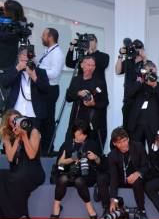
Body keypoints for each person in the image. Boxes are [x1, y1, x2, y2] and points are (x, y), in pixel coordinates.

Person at [51, 120, 102, 219]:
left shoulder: (92, 144)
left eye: (84, 134)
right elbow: (59, 163)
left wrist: (95, 157)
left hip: (86, 174)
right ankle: (56, 207)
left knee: (79, 181)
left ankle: (90, 208)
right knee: (62, 179)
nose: (81, 136)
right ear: (73, 132)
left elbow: (100, 163)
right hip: (68, 173)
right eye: (78, 134)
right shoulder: (67, 144)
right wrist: (72, 159)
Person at [0, 109, 45, 219]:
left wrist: (24, 136)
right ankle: (7, 214)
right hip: (17, 171)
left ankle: (18, 213)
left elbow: (31, 155)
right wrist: (17, 138)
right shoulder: (7, 136)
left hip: (33, 171)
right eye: (12, 121)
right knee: (2, 175)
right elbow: (10, 158)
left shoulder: (33, 131)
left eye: (17, 118)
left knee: (18, 177)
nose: (16, 122)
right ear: (9, 124)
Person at [97, 127, 149, 219]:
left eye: (125, 140)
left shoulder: (138, 147)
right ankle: (106, 209)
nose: (123, 144)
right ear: (114, 143)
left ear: (128, 139)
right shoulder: (112, 155)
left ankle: (142, 211)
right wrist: (113, 200)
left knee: (137, 181)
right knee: (102, 178)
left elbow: (146, 166)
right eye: (119, 142)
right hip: (120, 178)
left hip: (135, 177)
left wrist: (137, 173)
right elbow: (114, 177)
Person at [0, 47, 51, 129]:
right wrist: (17, 68)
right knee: (14, 140)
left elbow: (46, 90)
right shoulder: (14, 70)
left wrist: (34, 77)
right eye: (23, 61)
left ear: (33, 59)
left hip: (34, 114)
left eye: (27, 61)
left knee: (32, 140)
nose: (25, 64)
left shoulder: (40, 72)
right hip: (15, 113)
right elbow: (4, 83)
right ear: (18, 59)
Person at [64, 56, 108, 147]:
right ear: (82, 65)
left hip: (91, 121)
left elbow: (105, 102)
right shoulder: (76, 80)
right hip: (75, 119)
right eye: (88, 65)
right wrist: (78, 93)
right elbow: (68, 97)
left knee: (89, 148)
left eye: (93, 65)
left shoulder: (100, 83)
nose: (90, 67)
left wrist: (93, 104)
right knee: (69, 145)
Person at [124, 61, 159, 149]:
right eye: (150, 73)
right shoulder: (138, 85)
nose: (153, 75)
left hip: (153, 126)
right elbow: (128, 95)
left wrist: (155, 86)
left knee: (154, 152)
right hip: (136, 124)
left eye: (155, 73)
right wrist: (140, 81)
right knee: (136, 151)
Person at [38, 27, 64, 155]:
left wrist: (38, 72)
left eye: (43, 35)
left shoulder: (57, 53)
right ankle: (41, 147)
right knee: (41, 119)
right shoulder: (48, 51)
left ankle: (47, 149)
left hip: (50, 90)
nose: (41, 37)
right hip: (43, 89)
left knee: (48, 121)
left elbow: (54, 73)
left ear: (50, 37)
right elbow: (42, 64)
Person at [115, 39, 146, 128]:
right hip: (128, 99)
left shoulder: (145, 62)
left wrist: (144, 58)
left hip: (140, 99)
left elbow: (149, 73)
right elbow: (118, 71)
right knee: (126, 127)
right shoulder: (129, 61)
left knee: (138, 129)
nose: (135, 51)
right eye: (134, 49)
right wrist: (121, 55)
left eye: (138, 49)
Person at [0, 0, 25, 70]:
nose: (3, 11)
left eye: (5, 10)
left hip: (5, 64)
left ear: (10, 12)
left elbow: (3, 36)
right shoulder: (5, 19)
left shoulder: (16, 27)